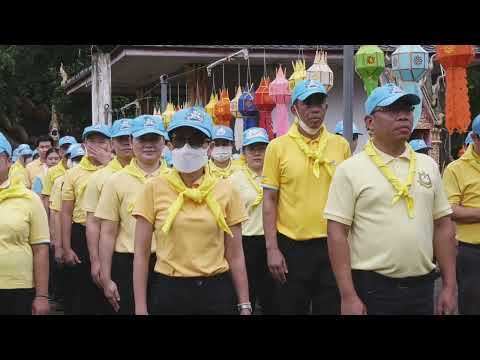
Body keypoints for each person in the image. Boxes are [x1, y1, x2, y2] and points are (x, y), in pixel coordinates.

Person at [324, 84, 456, 315]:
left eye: (407, 109)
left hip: (422, 288)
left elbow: (443, 227)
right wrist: (348, 295)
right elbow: (336, 234)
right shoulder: (351, 169)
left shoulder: (428, 166)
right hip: (373, 289)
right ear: (369, 123)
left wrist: (449, 286)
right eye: (393, 110)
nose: (404, 116)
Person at [132, 107, 250, 315]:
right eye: (179, 140)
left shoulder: (226, 190)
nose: (186, 147)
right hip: (169, 290)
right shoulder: (153, 188)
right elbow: (141, 254)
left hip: (216, 291)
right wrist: (140, 308)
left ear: (209, 146)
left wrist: (245, 304)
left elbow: (236, 254)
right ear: (169, 145)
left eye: (195, 139)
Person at [262, 79, 351, 315]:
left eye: (320, 103)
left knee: (331, 308)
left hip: (332, 243)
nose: (314, 109)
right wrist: (272, 248)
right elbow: (269, 200)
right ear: (294, 108)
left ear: (326, 107)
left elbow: (349, 197)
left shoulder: (340, 145)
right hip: (292, 245)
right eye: (307, 103)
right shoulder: (277, 147)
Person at [96, 116, 168, 314]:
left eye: (154, 139)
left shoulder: (174, 179)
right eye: (142, 139)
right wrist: (107, 277)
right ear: (131, 141)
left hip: (167, 264)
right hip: (126, 263)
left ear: (164, 142)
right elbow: (108, 232)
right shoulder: (116, 181)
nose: (148, 145)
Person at [61, 124, 112, 314]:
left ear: (110, 144)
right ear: (84, 145)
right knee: (83, 291)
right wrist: (66, 247)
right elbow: (65, 212)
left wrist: (108, 163)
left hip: (110, 233)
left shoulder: (118, 168)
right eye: (92, 141)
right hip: (82, 232)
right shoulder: (73, 173)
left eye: (102, 141)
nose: (97, 146)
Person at [0, 131, 50, 315]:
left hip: (18, 288)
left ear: (9, 162)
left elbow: (41, 249)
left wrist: (42, 296)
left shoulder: (29, 199)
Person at [83, 119, 134, 295]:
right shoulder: (99, 178)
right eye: (121, 139)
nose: (127, 143)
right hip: (117, 254)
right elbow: (93, 223)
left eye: (130, 138)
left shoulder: (154, 175)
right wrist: (95, 260)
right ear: (112, 144)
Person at [230, 127, 275, 314]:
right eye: (252, 148)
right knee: (246, 297)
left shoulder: (275, 176)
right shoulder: (233, 180)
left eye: (261, 148)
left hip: (271, 242)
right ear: (244, 152)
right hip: (245, 243)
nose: (257, 153)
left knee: (273, 299)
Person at [443, 115, 480, 314]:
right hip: (471, 252)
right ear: (474, 138)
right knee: (473, 306)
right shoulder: (456, 170)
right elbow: (450, 209)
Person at [41, 136, 78, 211]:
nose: (68, 150)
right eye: (65, 148)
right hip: (57, 212)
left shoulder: (81, 169)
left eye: (71, 147)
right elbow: (46, 197)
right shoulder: (52, 171)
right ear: (60, 151)